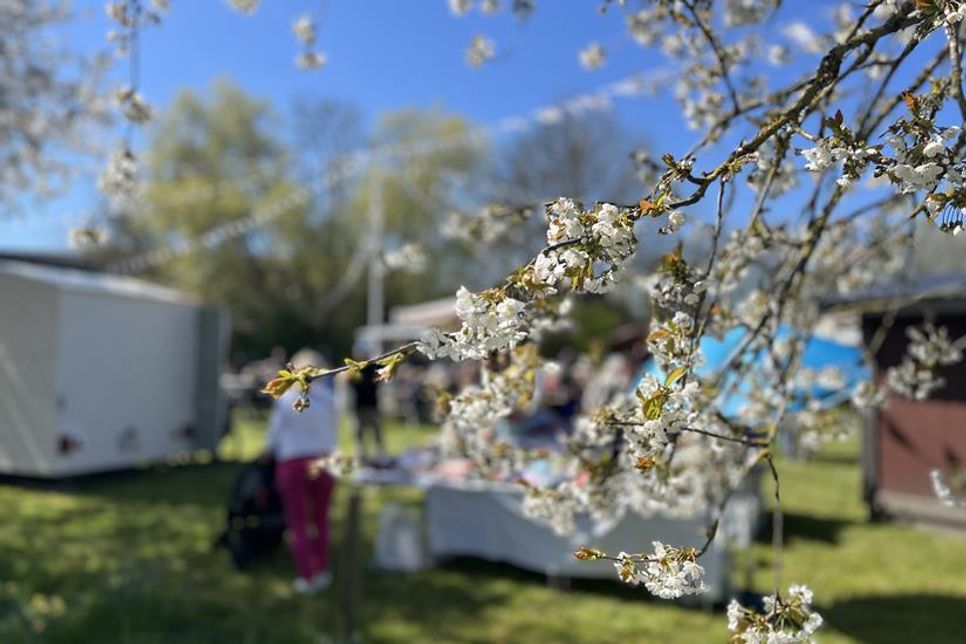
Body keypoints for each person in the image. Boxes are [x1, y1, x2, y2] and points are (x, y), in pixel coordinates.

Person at [263, 349, 339, 595]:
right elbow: (334, 429)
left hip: (293, 461)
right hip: (324, 460)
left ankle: (308, 575)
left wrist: (266, 453)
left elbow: (274, 436)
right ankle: (321, 568)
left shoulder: (286, 399)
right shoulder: (329, 398)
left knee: (298, 521)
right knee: (320, 519)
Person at [349, 351, 386, 463]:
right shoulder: (353, 370)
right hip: (358, 406)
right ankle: (361, 455)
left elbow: (385, 365)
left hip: (372, 405)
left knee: (376, 431)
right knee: (359, 433)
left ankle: (380, 454)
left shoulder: (373, 367)